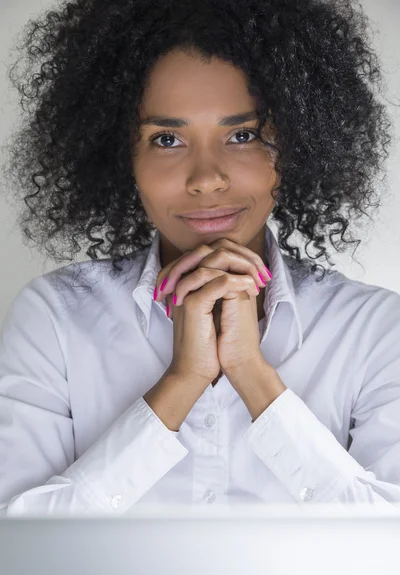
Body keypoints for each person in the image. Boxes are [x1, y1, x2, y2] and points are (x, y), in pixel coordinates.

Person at [1, 0, 399, 516]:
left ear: (297, 143)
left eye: (243, 135)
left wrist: (252, 374)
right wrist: (182, 381)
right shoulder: (55, 318)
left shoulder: (373, 330)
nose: (206, 177)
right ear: (122, 155)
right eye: (167, 139)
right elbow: (15, 549)